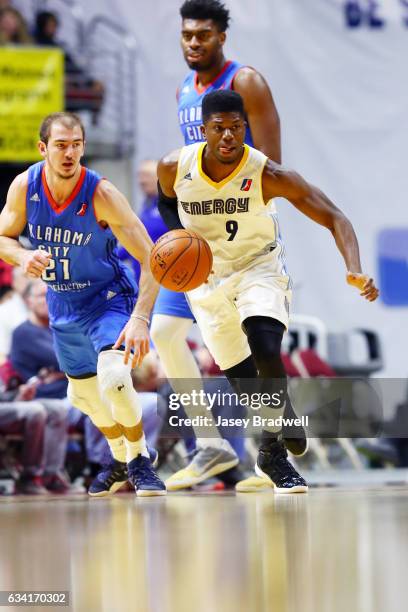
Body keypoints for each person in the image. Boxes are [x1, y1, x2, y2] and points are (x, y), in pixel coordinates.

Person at [156, 90, 379, 493]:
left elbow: (334, 216)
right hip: (206, 280)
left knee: (264, 343)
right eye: (218, 128)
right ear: (202, 130)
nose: (227, 136)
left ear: (246, 128)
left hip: (258, 266)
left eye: (236, 127)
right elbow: (166, 202)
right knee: (245, 381)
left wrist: (354, 269)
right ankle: (284, 413)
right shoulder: (174, 166)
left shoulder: (268, 173)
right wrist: (179, 236)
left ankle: (272, 454)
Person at [150, 0, 290, 490]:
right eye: (187, 34)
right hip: (197, 240)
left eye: (203, 34)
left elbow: (270, 163)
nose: (194, 42)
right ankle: (210, 445)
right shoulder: (184, 89)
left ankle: (269, 452)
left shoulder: (245, 80)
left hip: (241, 232)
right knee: (165, 331)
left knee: (255, 342)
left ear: (221, 37)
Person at [0, 111, 165, 497]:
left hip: (107, 298)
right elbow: (2, 238)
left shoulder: (102, 194)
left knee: (114, 376)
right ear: (43, 148)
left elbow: (153, 258)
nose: (70, 153)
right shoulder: (25, 187)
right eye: (60, 145)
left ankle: (140, 460)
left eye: (76, 145)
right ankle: (119, 456)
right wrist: (23, 257)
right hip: (63, 304)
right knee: (84, 395)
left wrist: (140, 317)